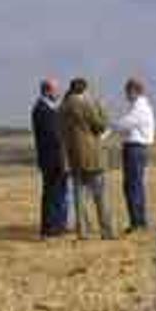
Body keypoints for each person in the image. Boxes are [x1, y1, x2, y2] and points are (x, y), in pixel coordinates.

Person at [59, 78, 115, 240]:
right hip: (92, 157)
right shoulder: (85, 105)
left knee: (79, 197)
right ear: (84, 90)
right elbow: (101, 125)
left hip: (73, 157)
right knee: (100, 195)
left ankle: (82, 232)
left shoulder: (62, 108)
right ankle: (106, 231)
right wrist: (101, 107)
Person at [112, 78, 156, 233]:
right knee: (135, 186)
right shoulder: (139, 106)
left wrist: (112, 125)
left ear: (134, 91)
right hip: (136, 148)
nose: (125, 95)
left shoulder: (140, 107)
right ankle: (138, 221)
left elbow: (126, 123)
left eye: (127, 91)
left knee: (133, 186)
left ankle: (137, 222)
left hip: (135, 149)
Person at [31, 78, 68, 238]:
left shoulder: (50, 108)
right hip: (50, 159)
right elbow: (53, 135)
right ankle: (49, 228)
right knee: (51, 194)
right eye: (55, 90)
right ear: (47, 91)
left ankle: (58, 226)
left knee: (59, 193)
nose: (58, 93)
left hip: (58, 158)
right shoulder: (41, 109)